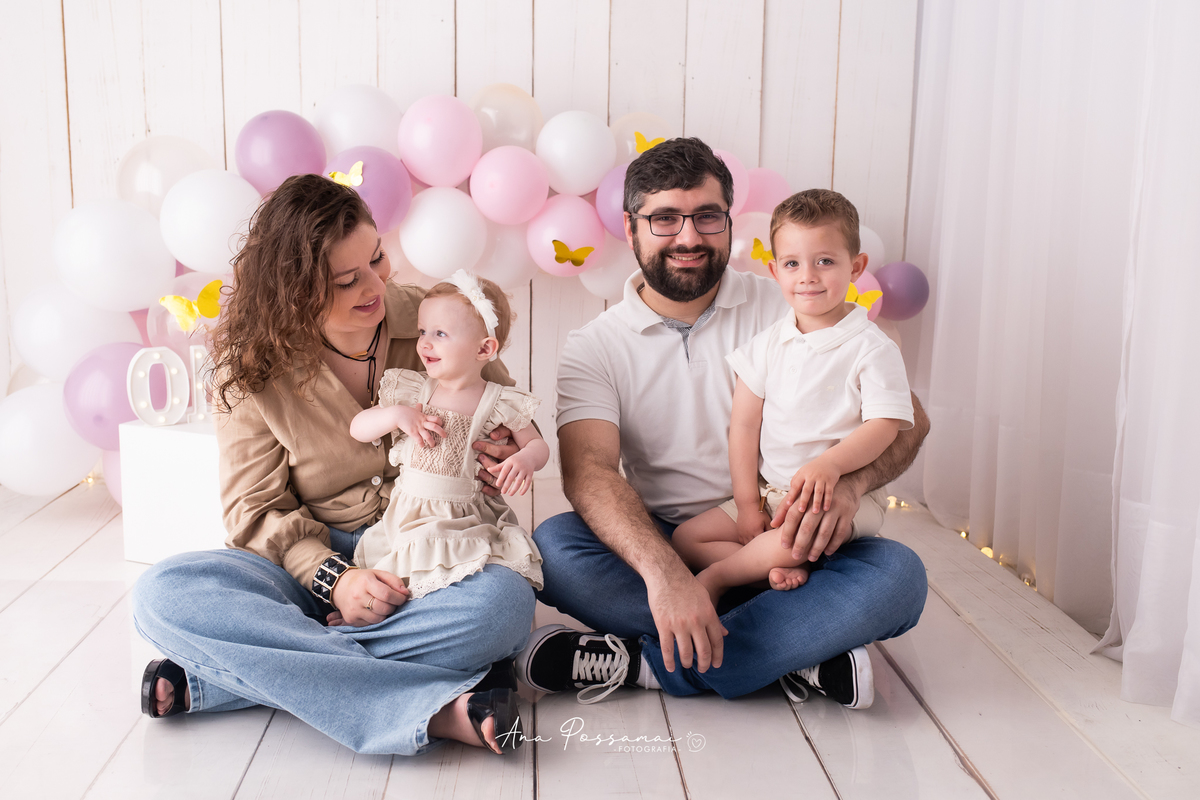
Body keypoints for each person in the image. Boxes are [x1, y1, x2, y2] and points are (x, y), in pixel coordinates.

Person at [516, 138, 929, 710]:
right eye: (664, 219)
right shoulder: (596, 346)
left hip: (804, 534)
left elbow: (910, 420)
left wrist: (850, 486)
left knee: (900, 578)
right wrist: (666, 576)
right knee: (555, 548)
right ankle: (795, 648)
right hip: (681, 543)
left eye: (706, 216)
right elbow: (589, 473)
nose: (688, 237)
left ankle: (646, 664)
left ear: (729, 223)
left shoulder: (791, 297)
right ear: (631, 229)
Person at [131, 174, 534, 756]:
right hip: (308, 568)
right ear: (294, 292)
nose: (375, 286)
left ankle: (230, 681)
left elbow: (504, 416)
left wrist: (499, 454)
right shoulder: (249, 368)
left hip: (426, 561)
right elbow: (255, 511)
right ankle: (436, 709)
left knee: (503, 607)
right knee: (162, 594)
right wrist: (335, 580)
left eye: (376, 260)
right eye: (348, 280)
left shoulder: (434, 318)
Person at [671, 189, 914, 613]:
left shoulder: (871, 348)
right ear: (775, 271)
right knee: (685, 538)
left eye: (825, 261)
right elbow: (744, 427)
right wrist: (748, 504)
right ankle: (768, 570)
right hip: (770, 493)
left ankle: (722, 576)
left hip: (834, 498)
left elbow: (884, 425)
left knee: (804, 534)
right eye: (792, 264)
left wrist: (831, 464)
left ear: (855, 267)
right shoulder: (767, 345)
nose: (808, 276)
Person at [348, 270, 547, 601]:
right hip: (408, 518)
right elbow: (358, 428)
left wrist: (526, 458)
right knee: (396, 587)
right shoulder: (413, 391)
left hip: (463, 520)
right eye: (422, 331)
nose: (424, 342)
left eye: (440, 333)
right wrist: (395, 415)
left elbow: (538, 445)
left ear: (484, 349)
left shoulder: (497, 401)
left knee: (464, 587)